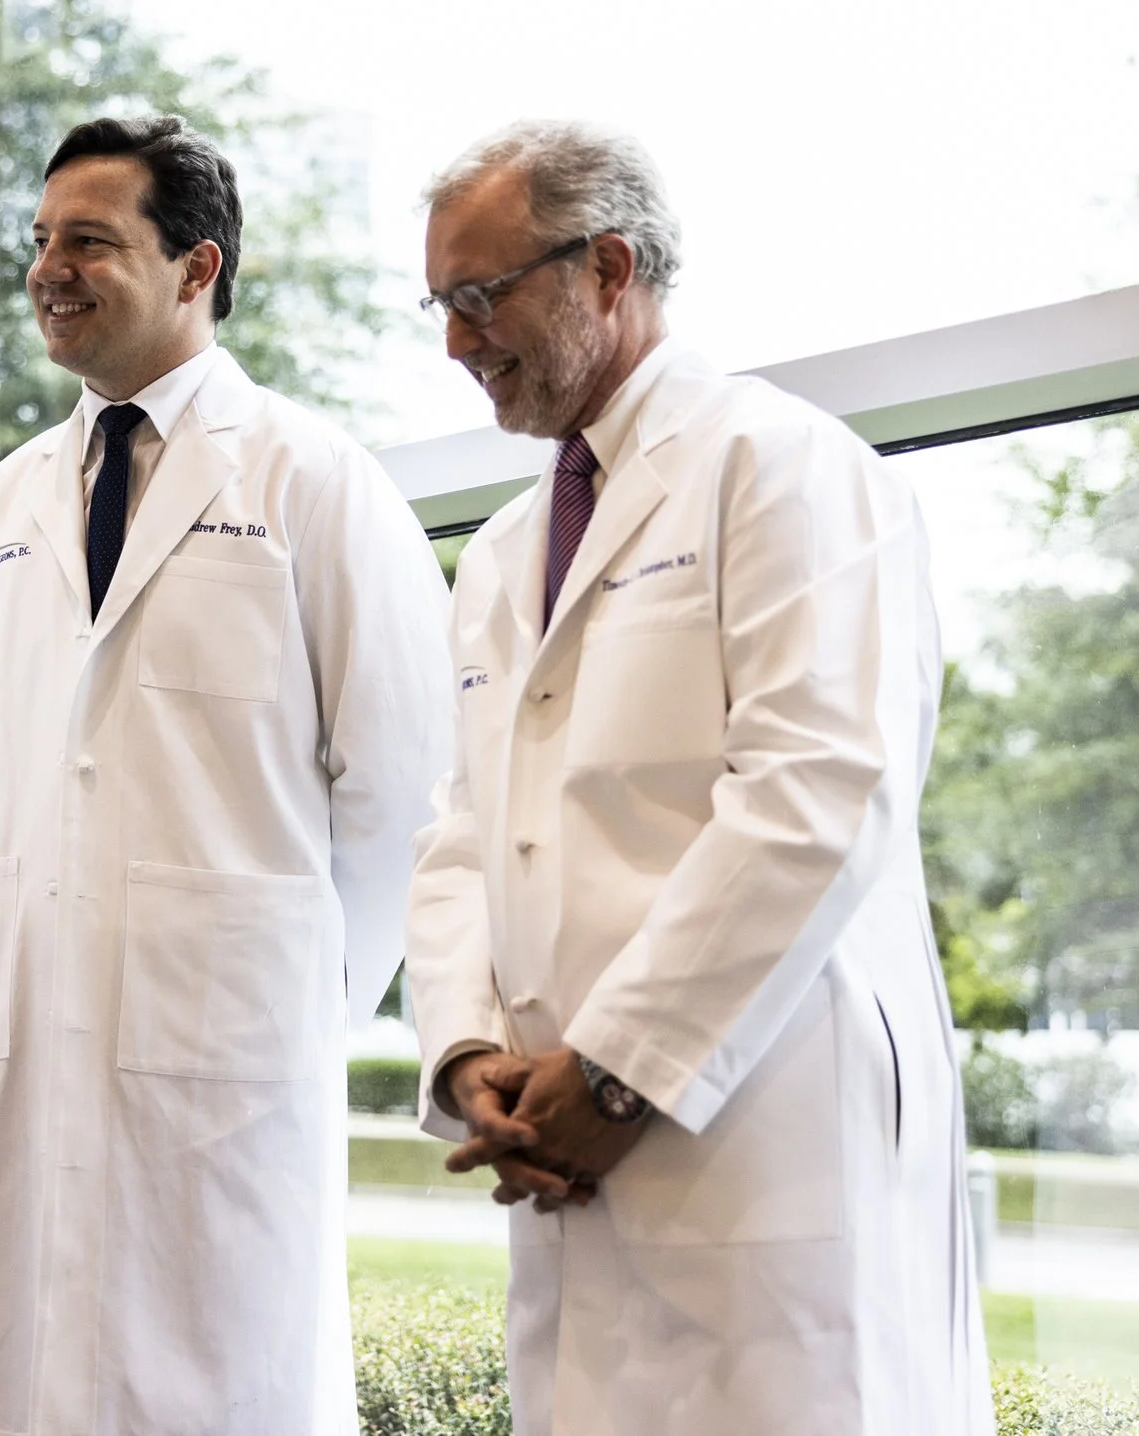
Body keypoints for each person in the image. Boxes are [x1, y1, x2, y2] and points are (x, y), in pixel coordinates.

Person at [403, 120, 989, 1435]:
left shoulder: (783, 466)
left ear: (606, 267)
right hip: (561, 1152)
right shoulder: (502, 554)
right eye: (439, 304)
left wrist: (619, 1073)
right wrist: (466, 1053)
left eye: (481, 296)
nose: (456, 341)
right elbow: (459, 835)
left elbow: (820, 791)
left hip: (758, 1127)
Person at [0, 115, 452, 1435]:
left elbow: (402, 796)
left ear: (196, 268)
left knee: (216, 1385)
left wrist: (291, 1002)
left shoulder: (317, 482)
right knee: (1, 1371)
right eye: (39, 242)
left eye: (89, 240)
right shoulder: (6, 505)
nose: (47, 269)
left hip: (229, 1067)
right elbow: (13, 775)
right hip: (33, 1036)